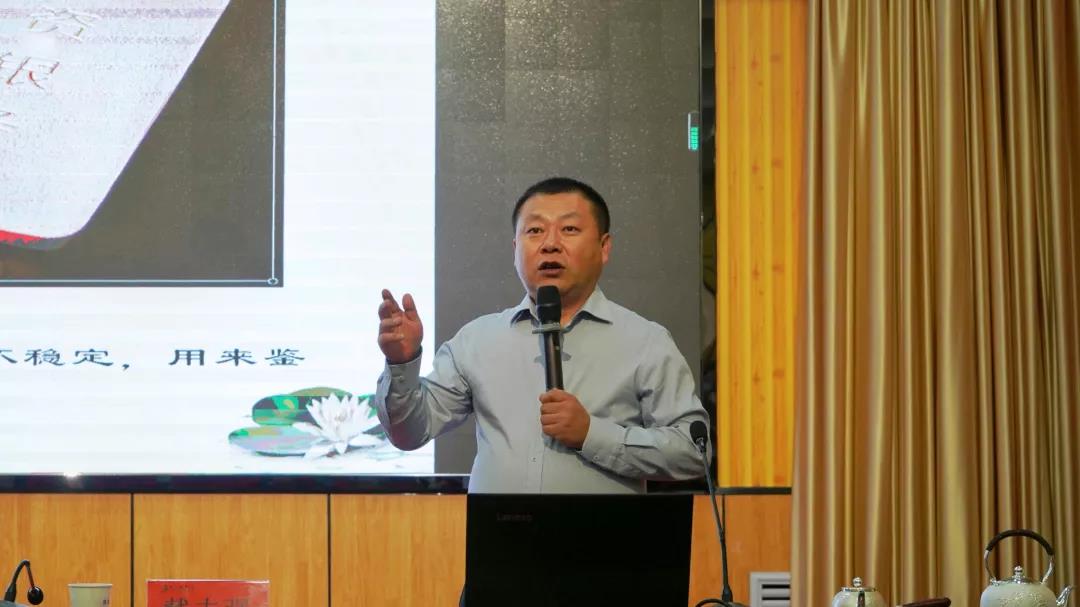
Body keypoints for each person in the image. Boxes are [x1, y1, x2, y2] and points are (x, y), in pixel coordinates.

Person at [374, 177, 708, 493]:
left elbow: (694, 451)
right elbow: (409, 434)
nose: (550, 244)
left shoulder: (645, 342)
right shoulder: (477, 341)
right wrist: (402, 363)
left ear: (604, 247)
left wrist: (592, 435)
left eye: (569, 229)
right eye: (535, 230)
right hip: (500, 534)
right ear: (515, 248)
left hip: (603, 536)